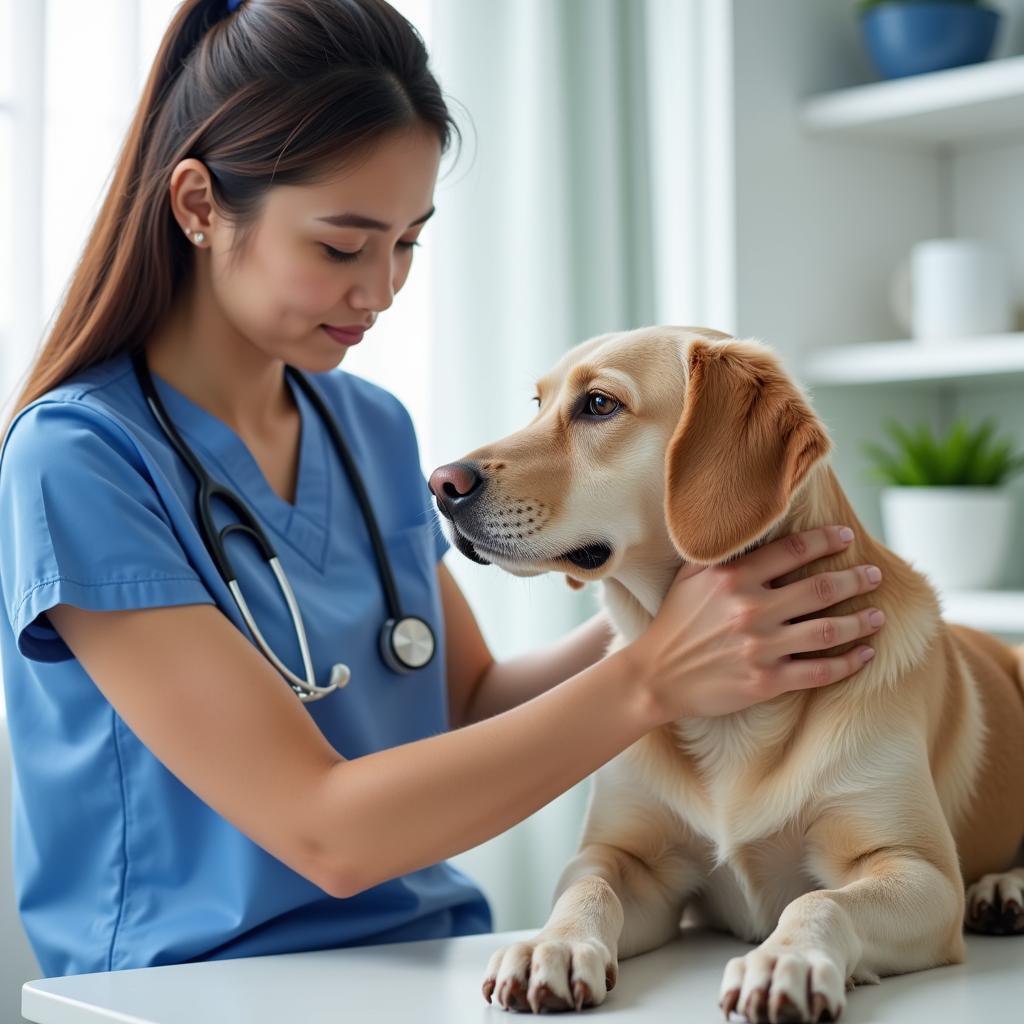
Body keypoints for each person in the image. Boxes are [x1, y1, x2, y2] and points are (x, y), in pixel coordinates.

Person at [0, 0, 886, 979]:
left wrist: (679, 593)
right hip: (186, 983)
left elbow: (464, 700)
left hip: (430, 954)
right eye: (342, 246)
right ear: (200, 206)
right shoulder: (80, 459)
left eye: (408, 242)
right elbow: (324, 832)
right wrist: (654, 676)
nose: (381, 289)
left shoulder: (365, 424)